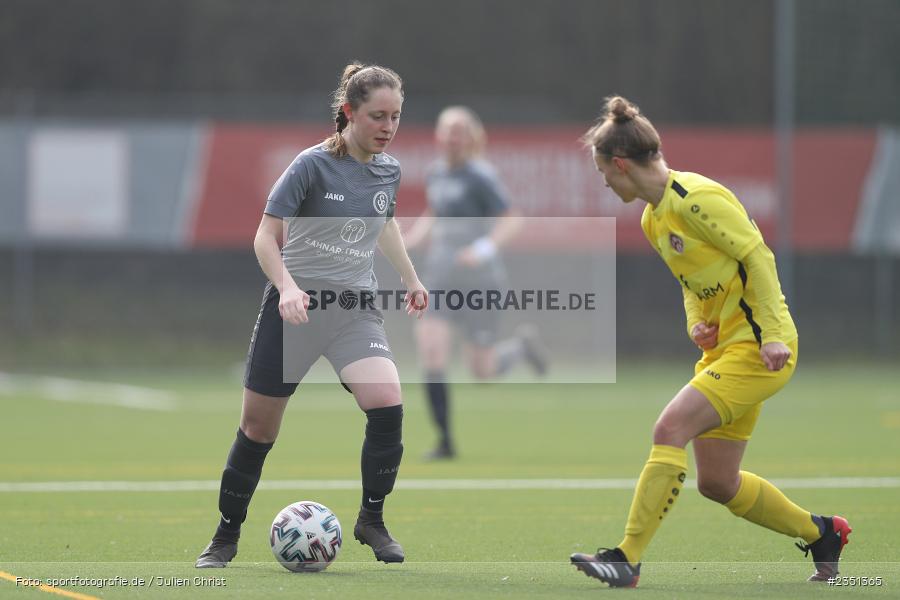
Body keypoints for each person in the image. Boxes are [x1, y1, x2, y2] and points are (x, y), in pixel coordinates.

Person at [569, 96, 851, 587]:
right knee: (718, 483)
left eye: (603, 173)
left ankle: (626, 557)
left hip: (760, 350)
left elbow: (756, 257)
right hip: (726, 351)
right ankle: (822, 533)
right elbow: (692, 282)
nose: (605, 183)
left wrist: (774, 336)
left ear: (620, 164)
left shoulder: (695, 197)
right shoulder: (653, 218)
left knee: (669, 428)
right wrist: (696, 323)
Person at [195, 63, 427, 568]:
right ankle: (225, 535)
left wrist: (410, 278)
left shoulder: (389, 169)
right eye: (377, 116)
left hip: (353, 310)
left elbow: (383, 223)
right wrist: (287, 288)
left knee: (387, 402)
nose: (388, 127)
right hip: (294, 312)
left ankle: (372, 519)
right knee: (258, 431)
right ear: (349, 113)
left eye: (396, 117)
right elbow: (264, 236)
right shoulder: (310, 165)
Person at [403, 106, 547, 460]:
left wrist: (482, 249)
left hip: (480, 284)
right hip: (439, 280)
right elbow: (436, 212)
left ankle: (519, 349)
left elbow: (512, 219)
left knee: (481, 371)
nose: (452, 138)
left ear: (470, 138)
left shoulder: (481, 175)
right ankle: (445, 441)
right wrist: (411, 238)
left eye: (459, 131)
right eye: (447, 131)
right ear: (438, 137)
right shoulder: (437, 173)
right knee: (432, 351)